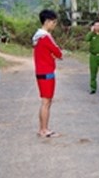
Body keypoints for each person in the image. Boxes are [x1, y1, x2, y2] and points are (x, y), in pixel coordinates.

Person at [32, 9, 63, 138]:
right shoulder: (45, 37)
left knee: (46, 101)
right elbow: (59, 53)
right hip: (47, 72)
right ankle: (44, 130)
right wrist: (54, 54)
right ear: (48, 22)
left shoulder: (38, 37)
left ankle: (42, 128)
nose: (54, 25)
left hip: (41, 71)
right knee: (46, 102)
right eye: (54, 22)